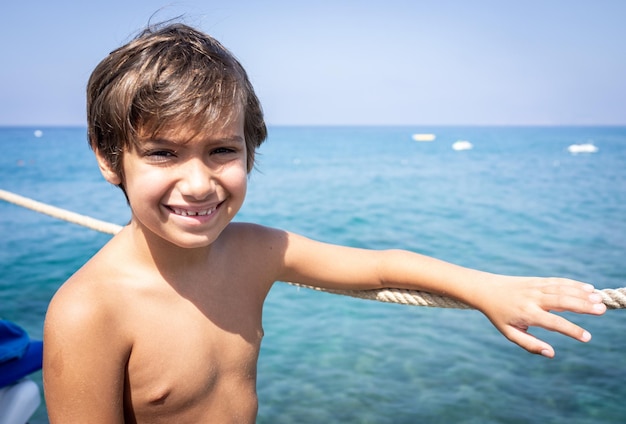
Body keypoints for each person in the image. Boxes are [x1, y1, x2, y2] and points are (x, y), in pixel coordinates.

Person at [42, 22, 607, 423]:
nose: (198, 182)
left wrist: (487, 288)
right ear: (109, 156)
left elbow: (381, 267)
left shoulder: (253, 251)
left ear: (250, 148)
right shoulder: (89, 312)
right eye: (164, 153)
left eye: (221, 151)